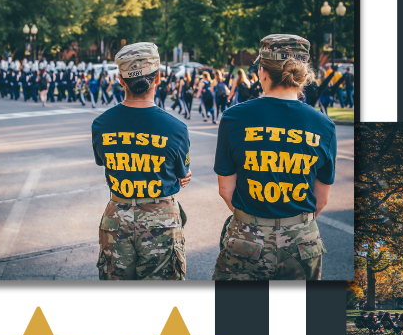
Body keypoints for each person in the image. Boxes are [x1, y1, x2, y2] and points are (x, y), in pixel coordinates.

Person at [212, 34, 336, 280]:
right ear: (302, 76)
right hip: (302, 242)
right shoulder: (324, 125)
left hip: (247, 238)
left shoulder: (234, 118)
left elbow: (226, 190)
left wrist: (253, 221)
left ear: (262, 72)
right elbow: (320, 200)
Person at [90, 42, 191, 280]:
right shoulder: (176, 128)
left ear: (121, 80)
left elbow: (104, 162)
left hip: (116, 219)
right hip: (161, 221)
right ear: (158, 79)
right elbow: (181, 173)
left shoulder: (101, 124)